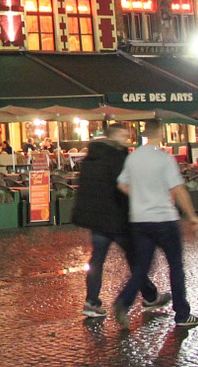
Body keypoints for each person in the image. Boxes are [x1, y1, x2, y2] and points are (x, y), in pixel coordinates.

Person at [113, 119, 198, 329]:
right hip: (164, 218)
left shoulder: (133, 158)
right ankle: (182, 314)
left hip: (140, 219)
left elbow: (121, 183)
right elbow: (179, 190)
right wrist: (192, 216)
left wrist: (139, 196)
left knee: (141, 267)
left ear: (145, 133)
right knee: (175, 266)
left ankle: (123, 302)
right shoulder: (164, 159)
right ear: (160, 133)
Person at [73, 124, 165, 318]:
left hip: (97, 218)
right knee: (135, 257)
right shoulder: (118, 156)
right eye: (124, 135)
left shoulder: (91, 157)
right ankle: (149, 296)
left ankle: (91, 302)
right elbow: (126, 185)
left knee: (97, 260)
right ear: (115, 136)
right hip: (116, 218)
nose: (126, 138)